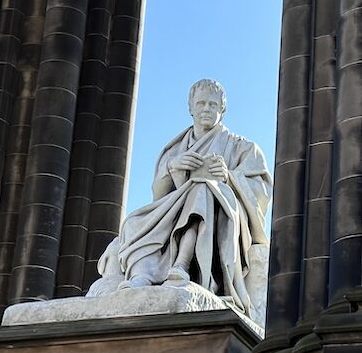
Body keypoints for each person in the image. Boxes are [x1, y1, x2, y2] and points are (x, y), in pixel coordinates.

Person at [97, 79, 272, 317]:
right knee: (133, 221)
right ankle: (143, 274)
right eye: (201, 104)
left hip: (221, 213)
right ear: (191, 108)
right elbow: (158, 196)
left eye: (213, 104)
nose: (206, 109)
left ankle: (182, 264)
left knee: (202, 190)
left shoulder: (243, 147)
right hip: (174, 209)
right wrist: (172, 167)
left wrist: (229, 177)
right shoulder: (174, 149)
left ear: (223, 109)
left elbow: (261, 194)